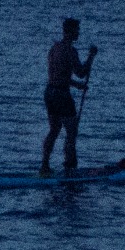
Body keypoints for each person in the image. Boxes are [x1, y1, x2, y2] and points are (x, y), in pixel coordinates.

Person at [40, 19, 98, 174]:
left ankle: (44, 165)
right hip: (61, 96)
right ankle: (69, 166)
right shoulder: (70, 50)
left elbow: (57, 76)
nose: (78, 33)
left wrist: (78, 86)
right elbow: (80, 72)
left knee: (54, 129)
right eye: (76, 30)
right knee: (71, 132)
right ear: (70, 31)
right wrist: (91, 56)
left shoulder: (54, 49)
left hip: (50, 93)